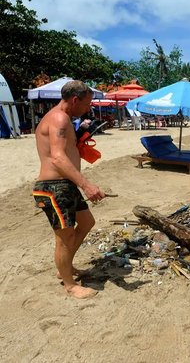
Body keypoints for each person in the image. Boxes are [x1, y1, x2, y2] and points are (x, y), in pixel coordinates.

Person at [33, 80, 105, 299]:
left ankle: (65, 267)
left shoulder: (62, 119)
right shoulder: (59, 118)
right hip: (53, 187)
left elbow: (63, 152)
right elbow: (57, 157)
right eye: (86, 104)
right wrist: (87, 185)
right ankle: (69, 285)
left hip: (65, 185)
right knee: (64, 237)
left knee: (86, 222)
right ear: (75, 100)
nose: (88, 108)